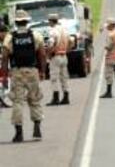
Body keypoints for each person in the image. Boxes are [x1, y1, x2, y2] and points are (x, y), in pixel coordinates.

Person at [1, 10, 46, 142]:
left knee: (17, 102)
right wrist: (42, 71)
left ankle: (18, 133)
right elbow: (42, 55)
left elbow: (4, 58)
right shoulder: (36, 35)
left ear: (15, 22)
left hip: (16, 72)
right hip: (32, 71)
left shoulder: (9, 37)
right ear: (27, 21)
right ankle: (37, 128)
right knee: (35, 99)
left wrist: (4, 76)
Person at [46, 13, 71, 106]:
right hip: (64, 55)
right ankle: (66, 96)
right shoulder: (64, 30)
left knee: (54, 78)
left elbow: (51, 42)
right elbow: (71, 41)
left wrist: (48, 52)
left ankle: (55, 98)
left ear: (51, 21)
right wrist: (66, 50)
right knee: (64, 77)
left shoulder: (53, 30)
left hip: (55, 56)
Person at [100, 17, 115, 98]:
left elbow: (108, 46)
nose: (107, 27)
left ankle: (109, 92)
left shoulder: (110, 35)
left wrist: (105, 47)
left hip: (111, 57)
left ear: (111, 25)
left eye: (108, 25)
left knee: (109, 74)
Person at [0, 24, 11, 108]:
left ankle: (5, 99)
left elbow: (5, 58)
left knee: (5, 82)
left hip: (8, 66)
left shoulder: (7, 41)